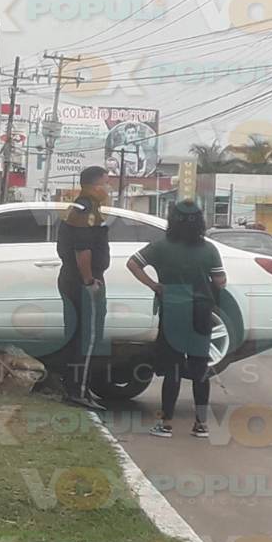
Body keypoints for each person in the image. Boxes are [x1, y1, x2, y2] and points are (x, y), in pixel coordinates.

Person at [126, 200, 227, 439]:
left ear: (173, 221)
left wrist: (154, 285)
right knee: (200, 369)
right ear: (200, 223)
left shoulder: (160, 247)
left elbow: (133, 263)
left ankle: (166, 424)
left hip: (172, 311)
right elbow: (220, 281)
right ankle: (201, 424)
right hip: (200, 313)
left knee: (172, 369)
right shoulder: (209, 249)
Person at [56, 166, 112, 410]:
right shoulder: (85, 210)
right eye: (105, 184)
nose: (107, 189)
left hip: (75, 278)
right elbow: (82, 250)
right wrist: (89, 281)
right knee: (87, 338)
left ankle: (77, 388)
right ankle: (77, 391)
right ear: (93, 185)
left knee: (78, 336)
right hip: (81, 281)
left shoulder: (86, 208)